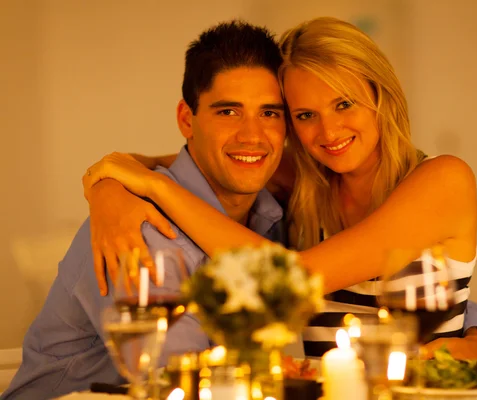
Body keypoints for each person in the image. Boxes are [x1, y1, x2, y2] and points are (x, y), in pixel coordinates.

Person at [83, 17, 477, 360]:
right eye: (305, 114)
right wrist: (109, 190)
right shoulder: (306, 184)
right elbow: (204, 159)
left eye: (344, 104)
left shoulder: (443, 179)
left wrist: (158, 189)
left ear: (381, 95)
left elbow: (295, 281)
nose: (328, 131)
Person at [2, 21, 288, 400]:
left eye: (269, 113)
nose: (252, 135)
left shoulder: (271, 215)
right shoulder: (141, 228)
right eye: (228, 112)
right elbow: (175, 385)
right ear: (187, 119)